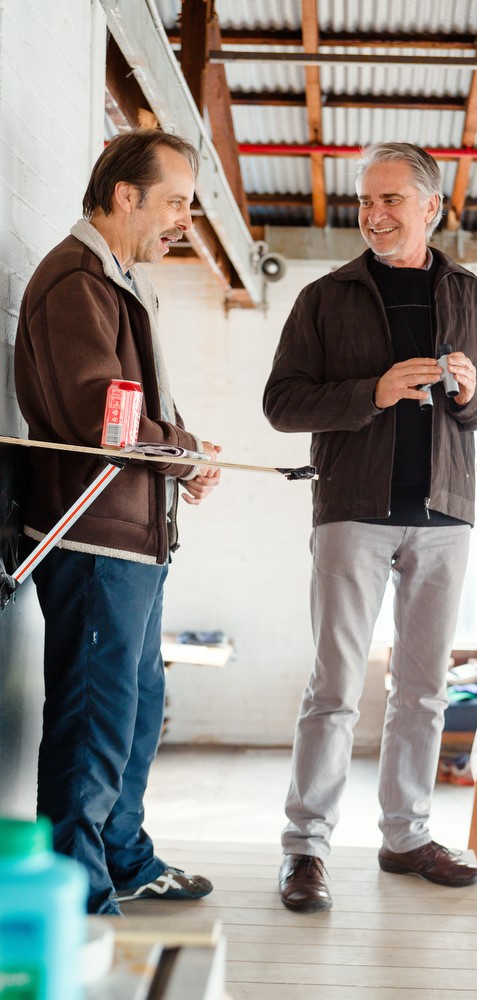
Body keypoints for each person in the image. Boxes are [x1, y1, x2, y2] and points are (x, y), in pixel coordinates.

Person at [264, 142, 477, 912]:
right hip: (351, 511)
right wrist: (371, 393)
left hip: (446, 516)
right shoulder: (323, 297)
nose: (372, 216)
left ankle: (406, 835)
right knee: (335, 688)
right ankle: (306, 848)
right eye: (363, 203)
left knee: (422, 691)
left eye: (388, 201)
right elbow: (281, 402)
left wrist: (476, 394)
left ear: (428, 207)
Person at [15, 129, 221, 916]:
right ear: (124, 195)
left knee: (129, 714)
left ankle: (124, 856)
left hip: (132, 542)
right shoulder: (76, 279)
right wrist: (182, 452)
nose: (182, 220)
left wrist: (183, 454)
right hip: (95, 539)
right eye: (173, 202)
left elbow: (138, 412)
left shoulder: (115, 279)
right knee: (92, 723)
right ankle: (75, 898)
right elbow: (99, 413)